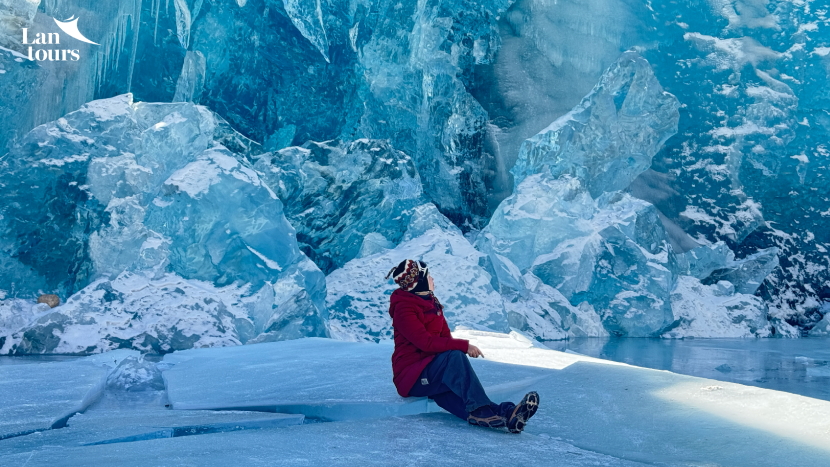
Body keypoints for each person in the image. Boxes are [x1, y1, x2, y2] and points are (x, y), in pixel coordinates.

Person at [386, 259, 539, 433]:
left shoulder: (432, 303)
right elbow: (426, 343)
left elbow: (444, 339)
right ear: (419, 280)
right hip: (412, 377)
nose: (432, 278)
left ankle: (508, 415)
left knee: (464, 394)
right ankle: (481, 411)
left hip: (432, 371)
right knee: (455, 357)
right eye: (428, 275)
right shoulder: (403, 309)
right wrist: (464, 346)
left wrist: (453, 353)